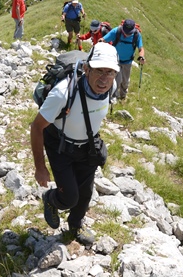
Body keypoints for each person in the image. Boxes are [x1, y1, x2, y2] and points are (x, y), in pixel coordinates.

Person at [30, 42, 119, 246]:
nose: (104, 79)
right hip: (60, 145)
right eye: (99, 71)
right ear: (87, 68)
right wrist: (40, 167)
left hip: (88, 145)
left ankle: (75, 225)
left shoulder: (111, 87)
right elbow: (36, 127)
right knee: (70, 197)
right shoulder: (63, 92)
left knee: (85, 193)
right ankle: (52, 199)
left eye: (110, 72)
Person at [101, 19, 145, 101]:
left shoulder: (136, 35)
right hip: (115, 60)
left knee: (125, 81)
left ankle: (122, 97)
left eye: (129, 32)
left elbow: (141, 48)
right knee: (116, 81)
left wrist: (141, 56)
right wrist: (100, 43)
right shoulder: (116, 31)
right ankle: (112, 97)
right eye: (125, 31)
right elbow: (104, 39)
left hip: (127, 62)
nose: (127, 34)